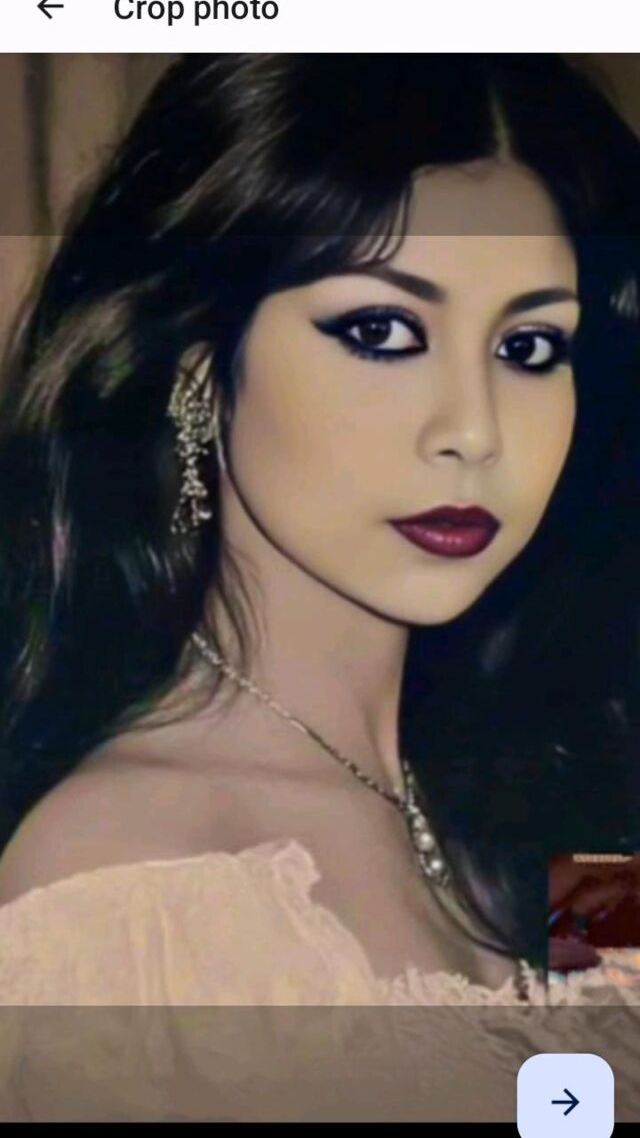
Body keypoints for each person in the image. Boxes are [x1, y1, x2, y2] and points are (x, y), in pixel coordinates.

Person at [0, 53, 639, 1020]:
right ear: (200, 369)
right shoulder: (124, 872)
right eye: (382, 332)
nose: (474, 431)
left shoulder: (554, 785)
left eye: (529, 347)